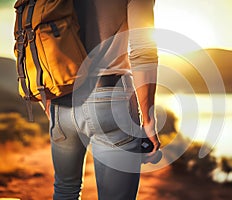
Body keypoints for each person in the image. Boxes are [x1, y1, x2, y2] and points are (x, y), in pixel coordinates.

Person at [48, 0, 160, 199]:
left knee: (65, 191)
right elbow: (143, 50)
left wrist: (49, 105)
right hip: (110, 97)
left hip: (60, 99)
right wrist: (149, 119)